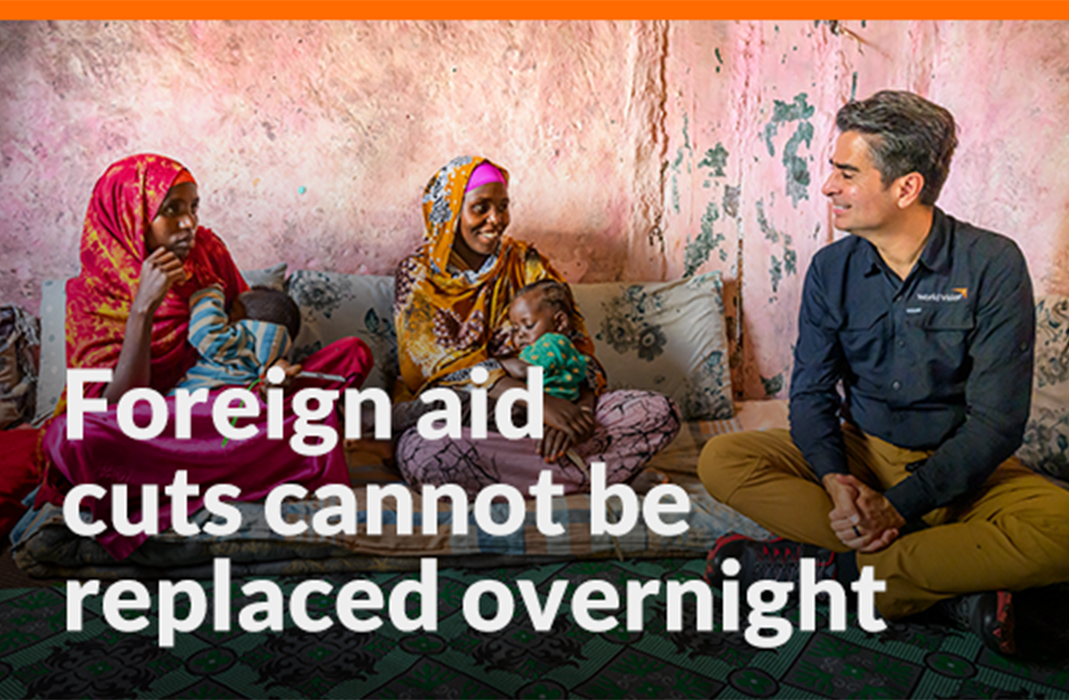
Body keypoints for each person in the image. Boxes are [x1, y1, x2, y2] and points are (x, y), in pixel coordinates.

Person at [698, 91, 1069, 658]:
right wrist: (832, 479)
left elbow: (997, 424)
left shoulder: (993, 263)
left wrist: (900, 506)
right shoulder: (831, 269)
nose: (827, 188)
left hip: (965, 474)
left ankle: (836, 571)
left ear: (906, 187)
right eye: (832, 171)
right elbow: (812, 394)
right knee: (721, 460)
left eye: (847, 173)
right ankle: (948, 582)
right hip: (863, 458)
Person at [40, 154, 374, 560]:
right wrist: (144, 308)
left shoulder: (208, 253)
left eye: (193, 208)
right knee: (73, 436)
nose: (188, 224)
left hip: (228, 409)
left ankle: (212, 467)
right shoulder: (93, 294)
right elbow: (117, 408)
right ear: (132, 216)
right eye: (171, 210)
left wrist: (272, 371)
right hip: (158, 424)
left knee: (350, 355)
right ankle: (270, 460)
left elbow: (245, 338)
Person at [393, 156, 680, 496]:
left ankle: (553, 464)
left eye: (503, 206)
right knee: (423, 455)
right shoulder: (418, 275)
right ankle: (595, 477)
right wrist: (535, 401)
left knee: (659, 412)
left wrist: (578, 415)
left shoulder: (526, 262)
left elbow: (575, 346)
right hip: (476, 415)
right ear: (452, 211)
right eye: (480, 207)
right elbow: (435, 368)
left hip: (559, 400)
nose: (496, 220)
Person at [173, 284, 300, 393]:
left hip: (201, 397)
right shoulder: (273, 356)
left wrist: (209, 294)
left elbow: (204, 333)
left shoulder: (242, 341)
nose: (226, 314)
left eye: (232, 309)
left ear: (249, 321)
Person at [498, 279, 588, 402]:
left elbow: (523, 370)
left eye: (529, 325)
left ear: (560, 322)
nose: (520, 335)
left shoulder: (551, 342)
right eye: (515, 329)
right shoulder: (560, 348)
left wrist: (497, 365)